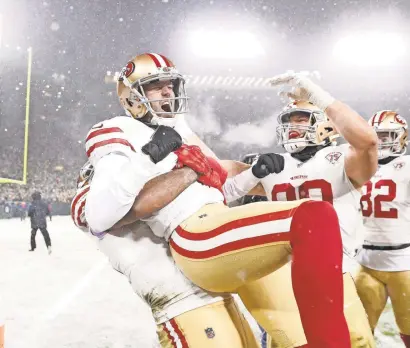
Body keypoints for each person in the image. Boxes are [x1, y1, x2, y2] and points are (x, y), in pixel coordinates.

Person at [84, 53, 351, 347]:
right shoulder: (116, 129)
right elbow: (98, 216)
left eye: (171, 84)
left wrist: (253, 176)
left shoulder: (181, 130)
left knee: (297, 337)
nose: (167, 91)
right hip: (194, 233)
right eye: (156, 85)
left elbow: (222, 188)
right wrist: (149, 157)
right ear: (132, 96)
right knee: (314, 218)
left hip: (219, 225)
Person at [72, 161, 260, 347]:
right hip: (183, 306)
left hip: (216, 296)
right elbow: (116, 204)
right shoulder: (89, 204)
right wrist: (185, 167)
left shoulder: (142, 191)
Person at [354, 110, 410, 348]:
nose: (382, 142)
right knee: (358, 334)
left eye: (388, 135)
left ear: (402, 138)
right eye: (377, 136)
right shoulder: (357, 167)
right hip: (366, 261)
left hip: (404, 262)